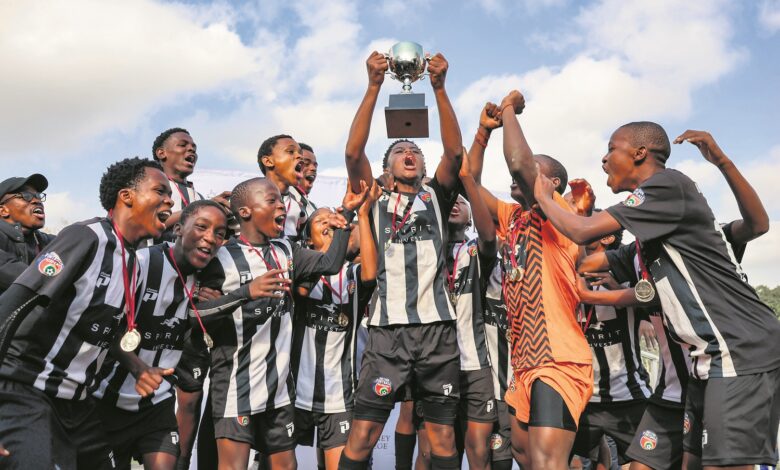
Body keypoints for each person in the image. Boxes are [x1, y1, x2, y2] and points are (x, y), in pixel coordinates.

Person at [533, 122, 780, 468]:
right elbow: (585, 260)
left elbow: (757, 225)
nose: (603, 159)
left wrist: (544, 197)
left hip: (739, 349)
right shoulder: (644, 246)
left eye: (611, 148)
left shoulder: (667, 184)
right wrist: (583, 213)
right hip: (703, 364)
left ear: (639, 154)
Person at [0, 157, 173, 468]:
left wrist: (137, 368)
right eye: (160, 190)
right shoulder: (86, 237)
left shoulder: (133, 260)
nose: (169, 200)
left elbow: (102, 327)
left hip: (78, 406)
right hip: (27, 393)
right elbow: (11, 306)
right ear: (127, 196)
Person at [339, 49, 465, 470]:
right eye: (400, 150)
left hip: (437, 332)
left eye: (415, 150)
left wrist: (440, 88)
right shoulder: (373, 196)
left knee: (443, 435)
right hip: (387, 334)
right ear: (387, 166)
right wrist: (374, 86)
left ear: (424, 166)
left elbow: (455, 152)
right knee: (364, 434)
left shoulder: (436, 194)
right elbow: (353, 150)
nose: (409, 152)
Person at [192, 177, 367, 470]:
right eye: (271, 200)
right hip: (236, 387)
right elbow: (195, 315)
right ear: (245, 211)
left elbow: (330, 264)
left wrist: (346, 213)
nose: (281, 206)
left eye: (280, 200)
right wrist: (245, 293)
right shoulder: (220, 256)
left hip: (279, 391)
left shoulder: (287, 250)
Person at [471, 90, 593, 469]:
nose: (520, 176)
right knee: (523, 456)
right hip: (523, 361)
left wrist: (508, 109)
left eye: (535, 172)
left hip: (557, 358)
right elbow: (469, 182)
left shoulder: (559, 213)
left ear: (552, 182)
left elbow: (520, 162)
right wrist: (482, 134)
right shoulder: (513, 216)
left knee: (546, 462)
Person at [93, 199, 228, 470]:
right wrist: (138, 368)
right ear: (178, 229)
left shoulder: (208, 279)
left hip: (157, 405)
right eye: (201, 227)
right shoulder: (142, 263)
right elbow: (105, 324)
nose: (210, 238)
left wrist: (213, 307)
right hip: (107, 401)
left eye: (220, 234)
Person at [291, 183, 379, 470]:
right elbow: (306, 288)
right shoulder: (296, 267)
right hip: (293, 392)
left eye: (333, 218)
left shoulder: (353, 273)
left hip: (339, 395)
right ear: (307, 238)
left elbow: (370, 272)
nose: (328, 222)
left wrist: (361, 216)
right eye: (320, 220)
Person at [572, 204, 652, 466]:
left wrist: (615, 289)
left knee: (639, 462)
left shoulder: (628, 267)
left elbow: (650, 301)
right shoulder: (567, 270)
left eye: (589, 222)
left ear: (606, 235)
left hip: (629, 394)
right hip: (582, 396)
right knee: (574, 461)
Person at [151, 127, 232, 242]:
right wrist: (200, 208)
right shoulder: (150, 187)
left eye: (194, 148)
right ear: (161, 153)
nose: (191, 149)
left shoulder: (198, 196)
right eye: (182, 145)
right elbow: (149, 224)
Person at [0, 173, 55, 294]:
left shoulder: (48, 242)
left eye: (38, 196)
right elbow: (9, 270)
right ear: (3, 210)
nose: (37, 201)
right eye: (26, 196)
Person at [257, 134, 310, 242]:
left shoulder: (300, 207)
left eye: (300, 153)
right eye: (290, 151)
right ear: (268, 161)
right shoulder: (246, 197)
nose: (300, 157)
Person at [299, 143, 320, 209]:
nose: (313, 168)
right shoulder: (279, 198)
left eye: (315, 166)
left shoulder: (313, 208)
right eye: (306, 163)